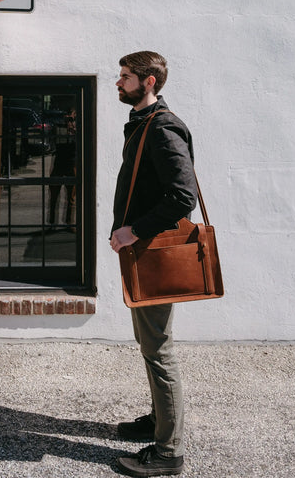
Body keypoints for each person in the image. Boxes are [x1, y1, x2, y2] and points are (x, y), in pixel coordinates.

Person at [110, 51, 198, 477]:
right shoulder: (144, 124)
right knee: (150, 345)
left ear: (148, 82)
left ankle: (169, 452)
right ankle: (159, 420)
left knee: (159, 349)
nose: (118, 82)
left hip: (152, 253)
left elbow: (184, 196)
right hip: (141, 253)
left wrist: (134, 231)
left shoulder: (162, 128)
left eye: (125, 77)